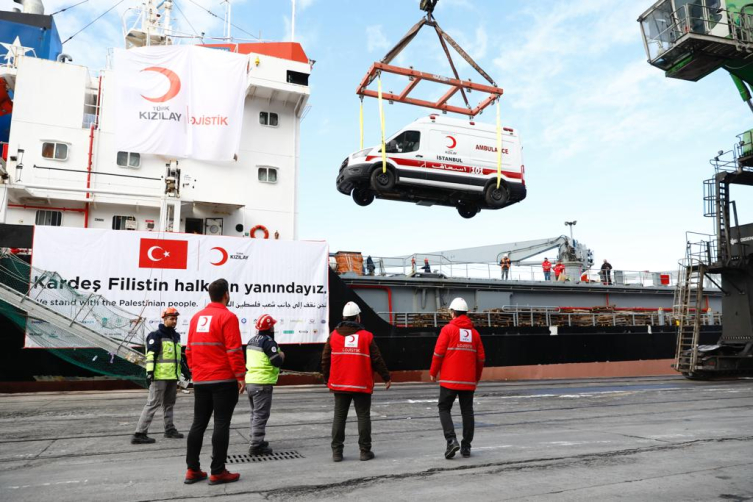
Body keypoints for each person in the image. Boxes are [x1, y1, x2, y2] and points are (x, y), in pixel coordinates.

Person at [184, 279, 246, 486]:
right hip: (223, 380)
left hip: (200, 379)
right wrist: (240, 376)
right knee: (221, 423)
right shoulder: (228, 317)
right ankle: (218, 471)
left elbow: (189, 350)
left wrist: (196, 371)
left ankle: (192, 469)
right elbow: (234, 350)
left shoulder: (196, 318)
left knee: (198, 423)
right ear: (226, 294)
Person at [321, 301, 391, 462]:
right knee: (363, 416)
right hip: (361, 384)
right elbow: (377, 359)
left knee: (339, 417)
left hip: (339, 384)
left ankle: (337, 453)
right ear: (358, 318)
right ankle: (365, 451)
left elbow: (325, 359)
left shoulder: (333, 336)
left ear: (343, 317)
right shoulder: (366, 336)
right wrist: (386, 377)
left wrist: (326, 378)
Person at [430, 297, 485, 459]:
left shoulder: (447, 330)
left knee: (444, 408)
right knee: (467, 412)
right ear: (466, 313)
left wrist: (433, 372)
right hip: (468, 381)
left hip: (449, 380)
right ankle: (466, 446)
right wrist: (476, 377)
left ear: (453, 313)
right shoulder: (474, 334)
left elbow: (438, 353)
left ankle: (451, 440)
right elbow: (481, 359)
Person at [132, 307, 184, 444]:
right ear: (164, 319)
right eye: (171, 319)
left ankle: (169, 429)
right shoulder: (156, 335)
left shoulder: (176, 336)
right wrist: (149, 373)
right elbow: (151, 355)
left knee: (169, 404)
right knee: (153, 403)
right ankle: (139, 433)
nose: (174, 321)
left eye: (175, 319)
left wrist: (184, 369)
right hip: (159, 376)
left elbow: (177, 357)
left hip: (172, 376)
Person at [245, 314, 284, 456]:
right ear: (270, 328)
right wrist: (281, 355)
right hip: (262, 383)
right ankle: (256, 445)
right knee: (261, 415)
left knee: (255, 414)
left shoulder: (251, 341)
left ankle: (256, 439)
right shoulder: (268, 342)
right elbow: (276, 361)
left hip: (251, 381)